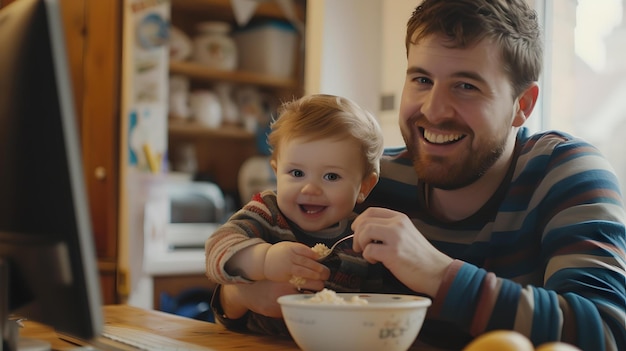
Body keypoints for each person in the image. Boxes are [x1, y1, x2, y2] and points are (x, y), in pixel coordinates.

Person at [208, 1, 626, 350]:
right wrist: (240, 293)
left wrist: (437, 272)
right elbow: (260, 276)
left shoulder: (566, 174)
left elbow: (607, 332)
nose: (434, 109)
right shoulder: (363, 182)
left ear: (523, 104)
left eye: (466, 86)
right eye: (422, 79)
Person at [205, 94, 388, 334]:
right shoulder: (267, 212)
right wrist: (264, 260)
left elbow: (375, 306)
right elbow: (216, 249)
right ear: (277, 171)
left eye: (331, 176)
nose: (310, 189)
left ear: (363, 187)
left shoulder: (362, 238)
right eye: (297, 173)